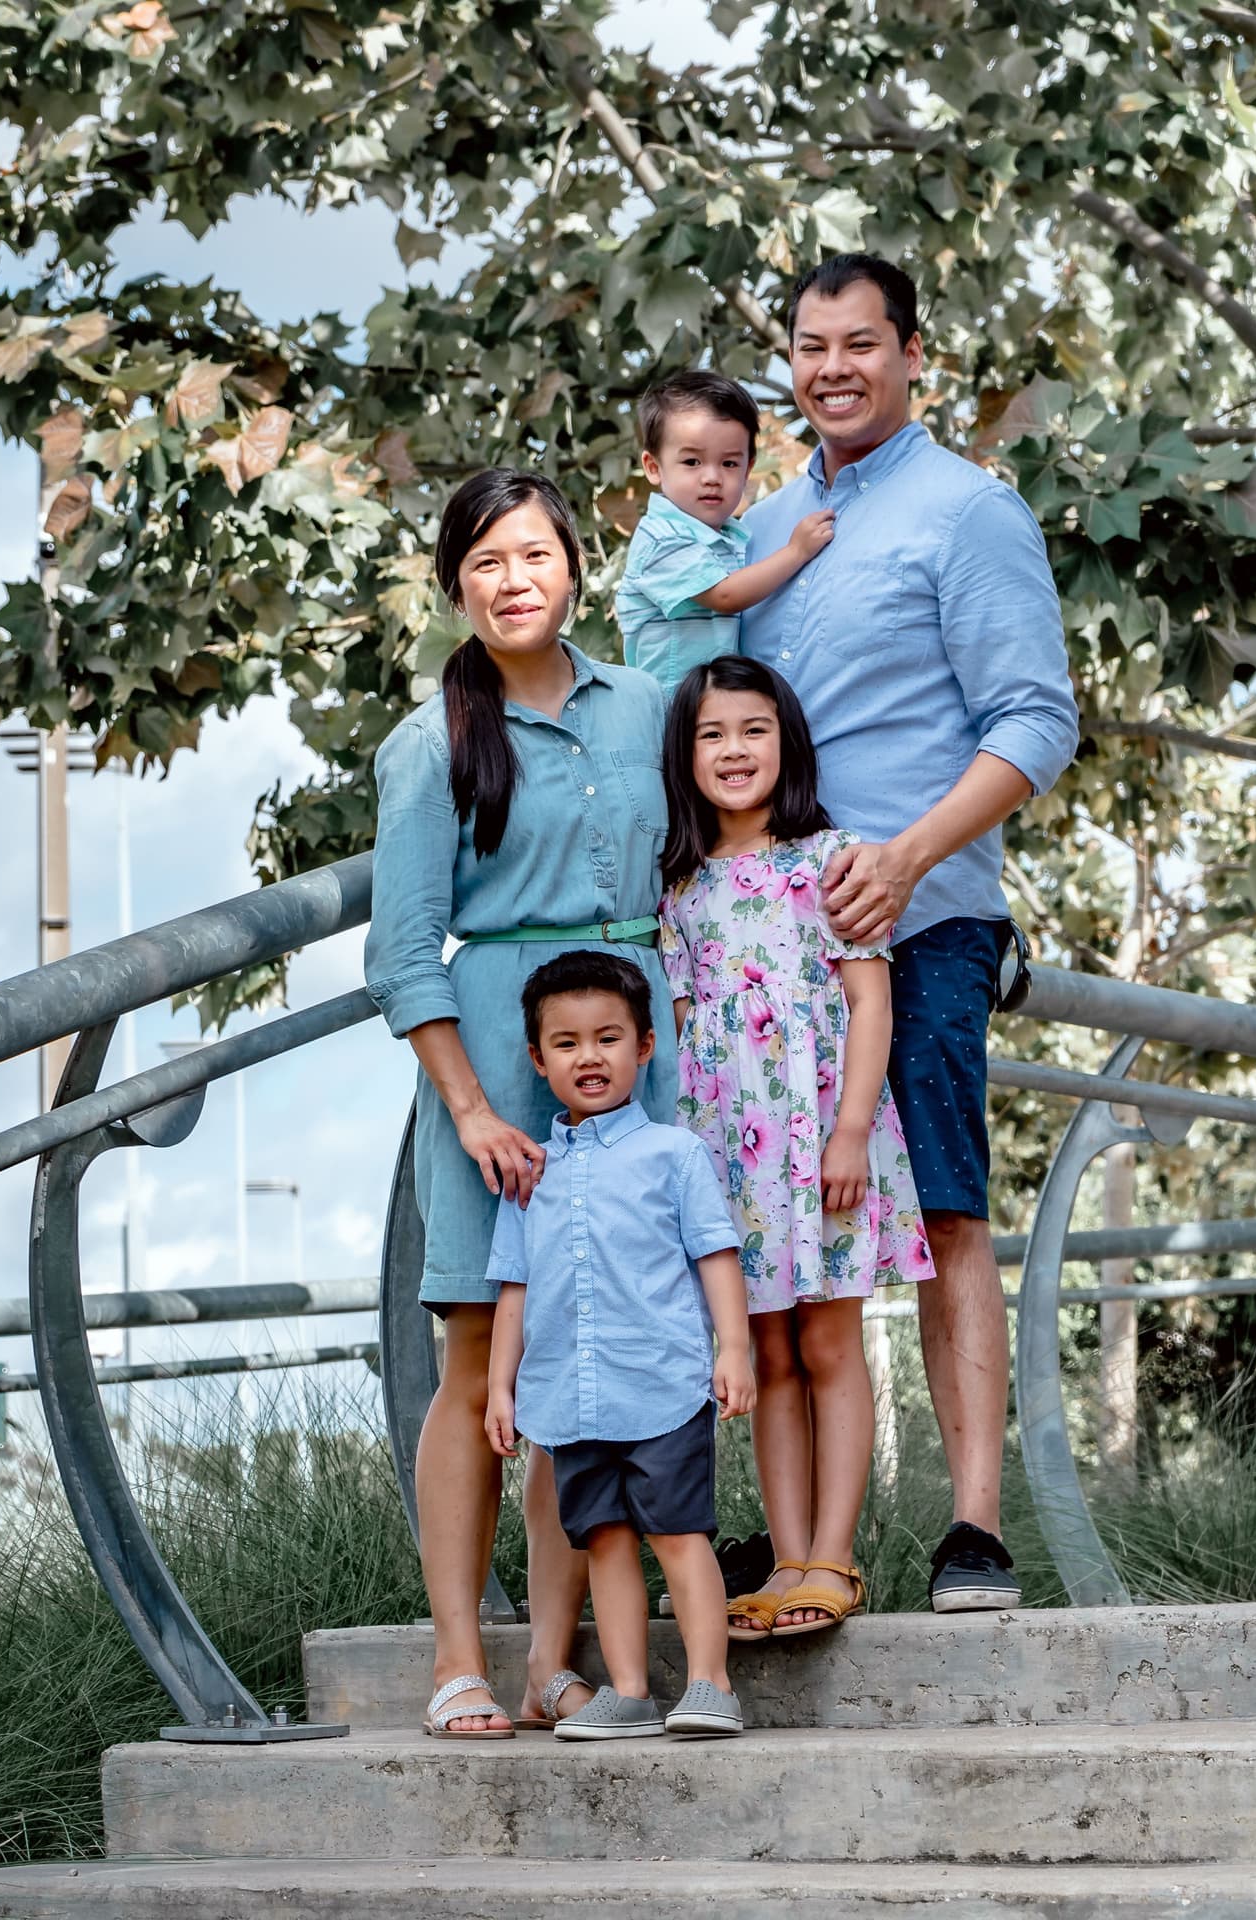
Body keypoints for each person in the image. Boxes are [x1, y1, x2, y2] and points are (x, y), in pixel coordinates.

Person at [739, 254, 1079, 1612]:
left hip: (924, 919)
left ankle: (975, 1530)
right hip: (771, 941)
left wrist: (913, 855)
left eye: (859, 344)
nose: (832, 368)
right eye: (810, 347)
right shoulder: (762, 526)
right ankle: (808, 1538)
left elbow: (1036, 723)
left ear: (913, 355)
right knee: (776, 1220)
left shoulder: (969, 513)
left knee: (938, 1211)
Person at [363, 467, 676, 1739]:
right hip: (495, 1060)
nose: (512, 580)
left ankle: (554, 1663)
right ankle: (458, 1661)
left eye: (534, 554)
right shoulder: (427, 742)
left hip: (632, 1048)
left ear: (572, 569)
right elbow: (403, 950)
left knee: (593, 1362)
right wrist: (475, 1107)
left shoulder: (650, 706)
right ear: (455, 586)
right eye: (485, 562)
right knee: (481, 1356)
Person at [658, 656, 934, 1637]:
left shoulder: (834, 862)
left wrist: (853, 1128)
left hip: (823, 1143)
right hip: (732, 1156)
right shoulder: (680, 891)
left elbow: (869, 999)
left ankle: (834, 1555)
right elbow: (690, 1042)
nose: (734, 751)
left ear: (788, 741)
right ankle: (784, 1563)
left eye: (753, 730)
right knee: (766, 1351)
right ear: (684, 754)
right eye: (712, 734)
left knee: (827, 1340)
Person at [485, 951, 754, 1740]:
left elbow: (715, 1254)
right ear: (538, 1061)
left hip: (661, 1385)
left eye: (608, 1038)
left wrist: (732, 1349)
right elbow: (514, 1289)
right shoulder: (528, 1174)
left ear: (644, 1046)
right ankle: (629, 1691)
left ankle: (710, 1684)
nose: (589, 1057)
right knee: (603, 1539)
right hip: (568, 1397)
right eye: (566, 1043)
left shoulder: (674, 1155)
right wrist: (502, 1388)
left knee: (677, 1534)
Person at [616, 368, 836, 698]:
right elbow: (725, 596)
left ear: (749, 468)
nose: (712, 477)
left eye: (729, 464)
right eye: (692, 462)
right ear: (653, 467)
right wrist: (796, 552)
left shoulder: (735, 536)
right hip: (666, 715)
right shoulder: (661, 538)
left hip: (713, 711)